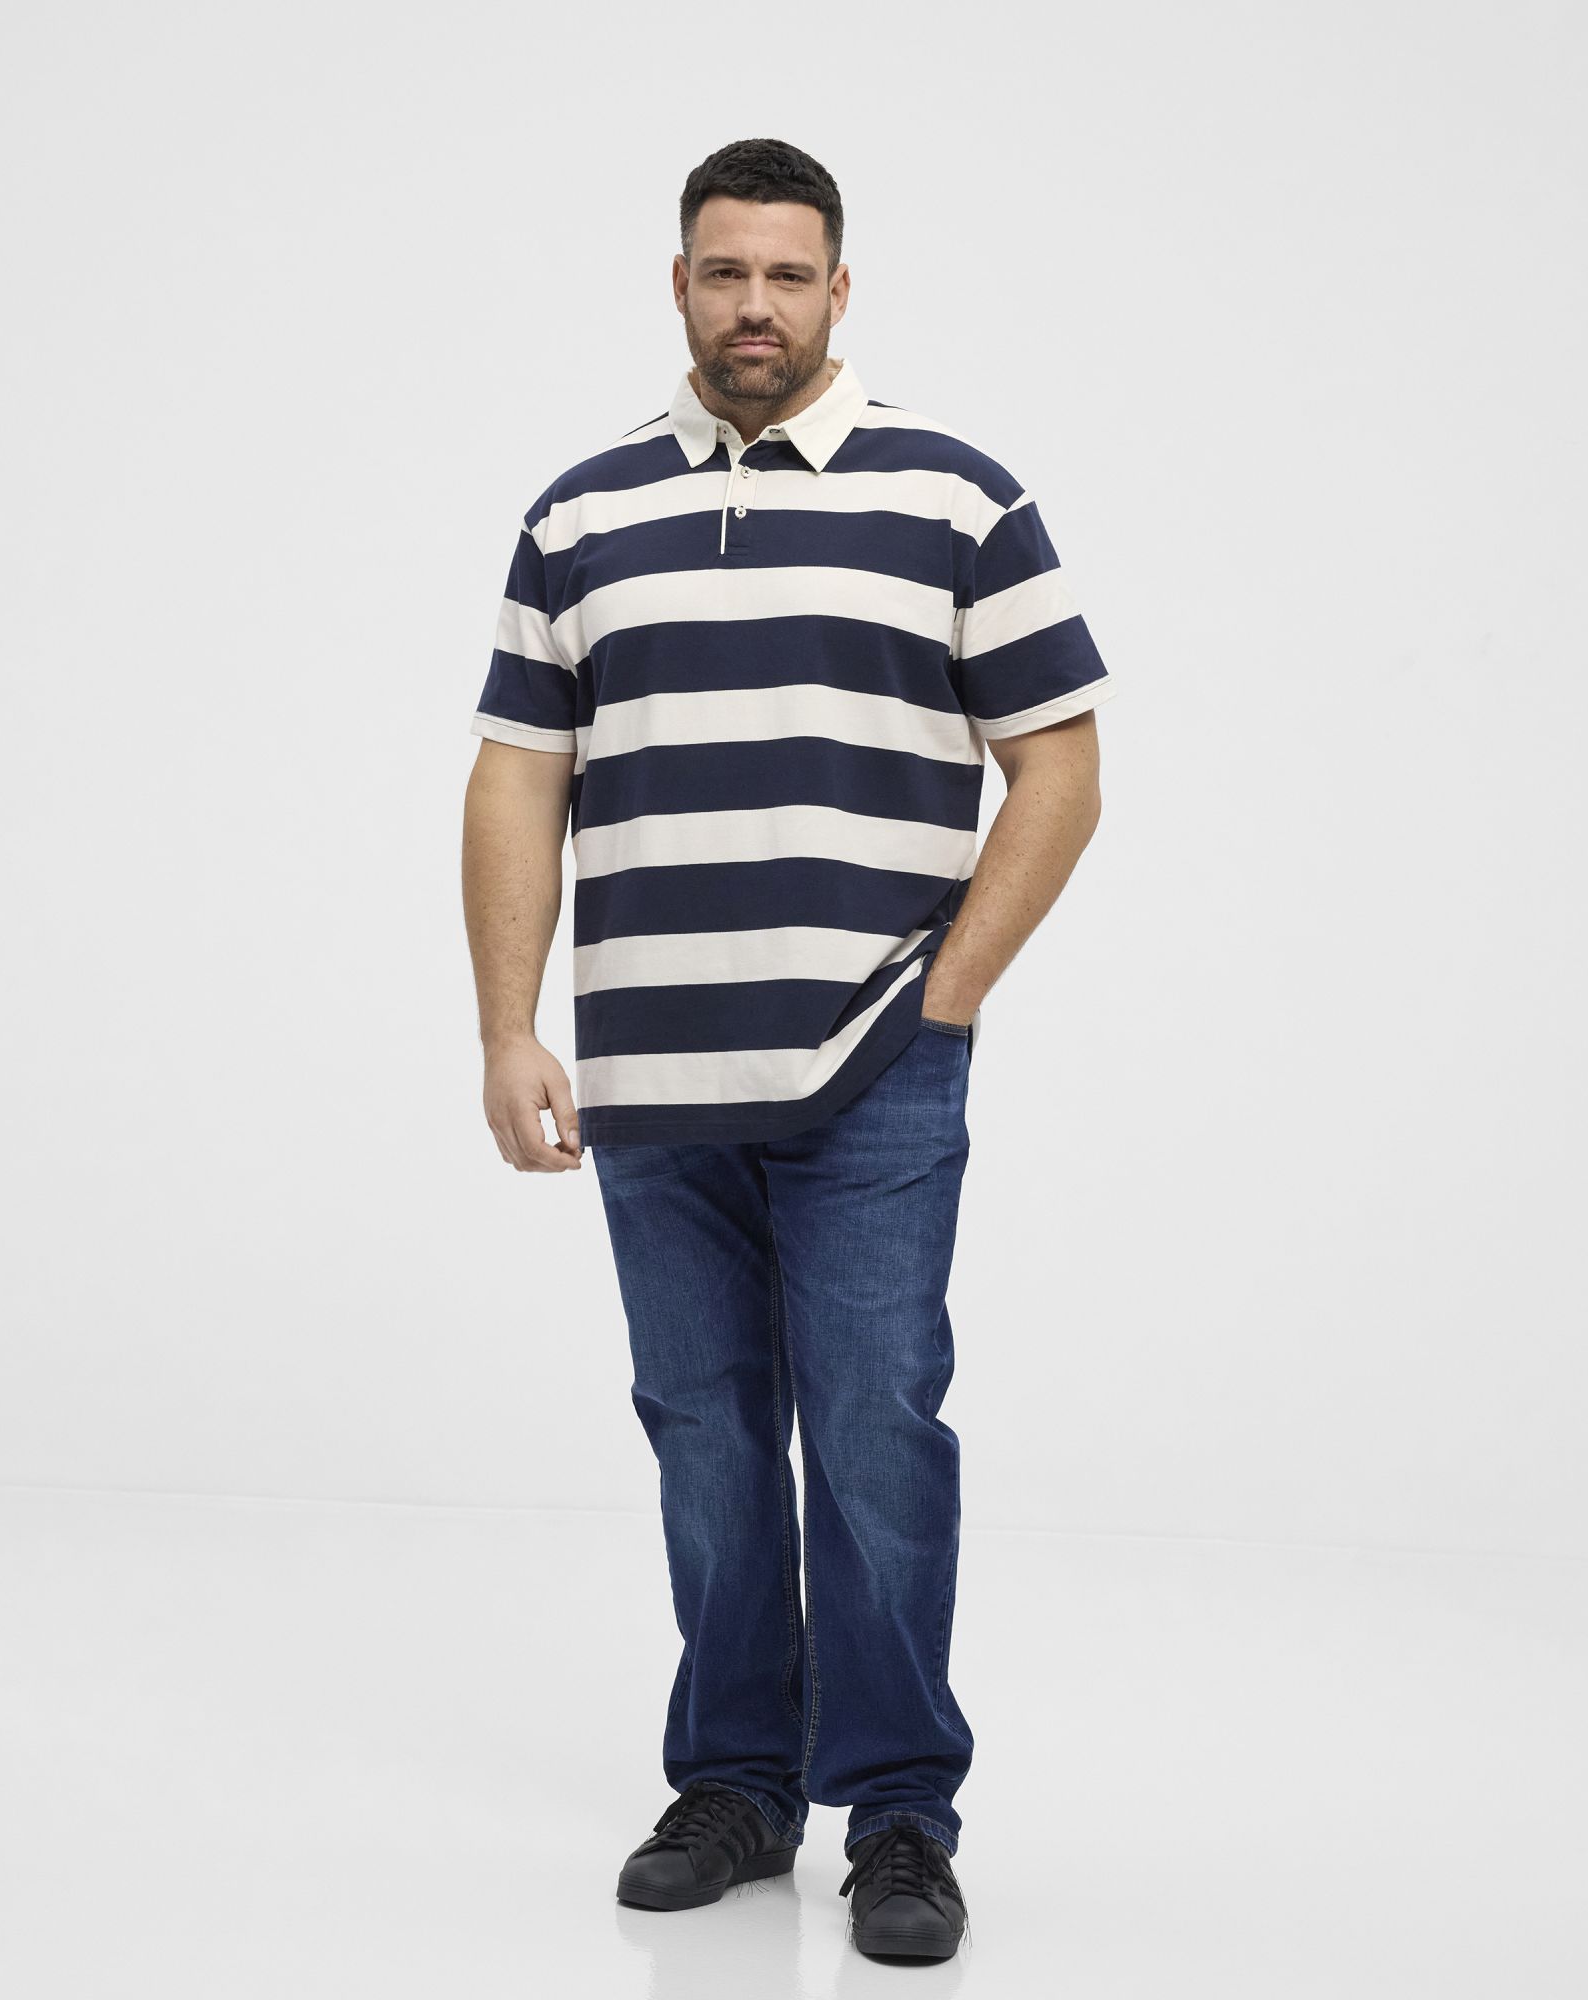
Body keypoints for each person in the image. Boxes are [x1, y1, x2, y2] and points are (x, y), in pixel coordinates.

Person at [461, 136, 1114, 1964]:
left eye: (789, 273)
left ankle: (900, 1813)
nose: (756, 305)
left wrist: (949, 995)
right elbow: (517, 775)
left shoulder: (956, 497)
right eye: (725, 271)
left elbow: (1059, 764)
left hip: (875, 1067)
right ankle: (740, 1783)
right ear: (679, 284)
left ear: (841, 289)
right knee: (706, 1431)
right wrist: (508, 1026)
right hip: (653, 1076)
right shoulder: (581, 515)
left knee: (878, 1429)